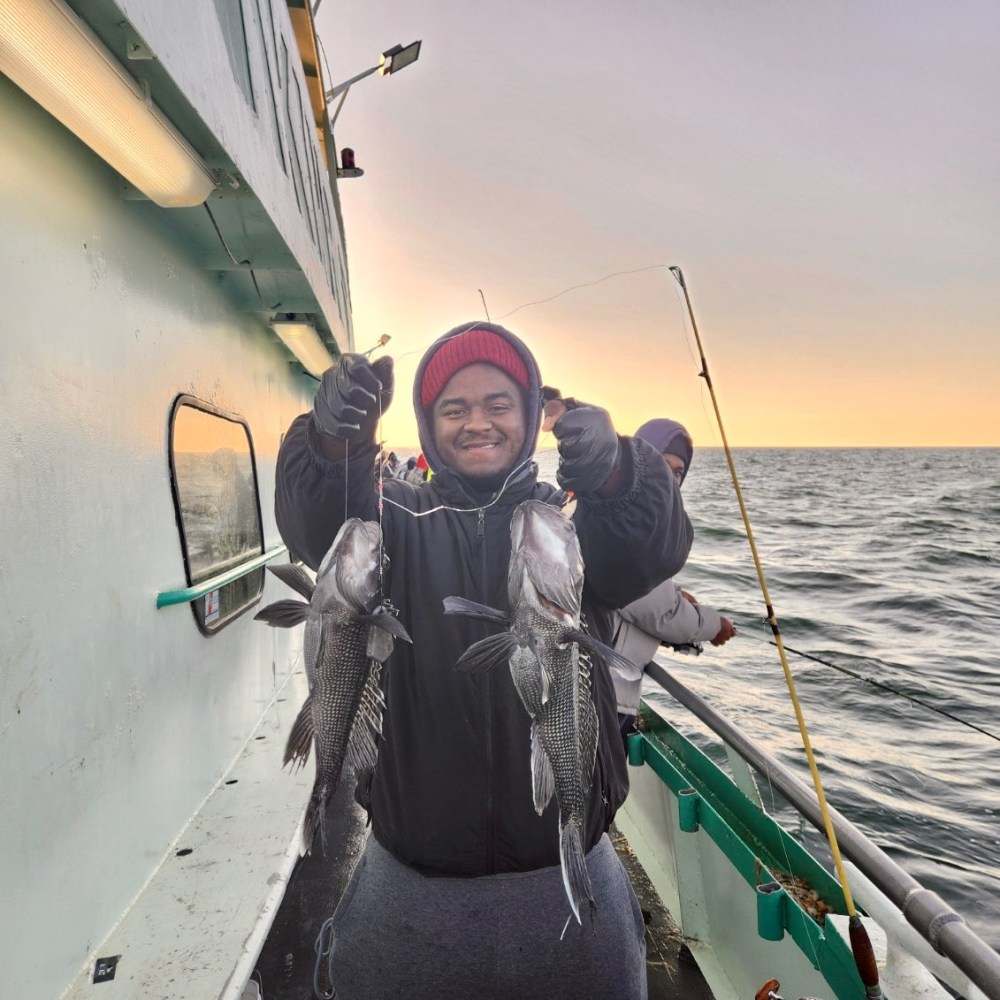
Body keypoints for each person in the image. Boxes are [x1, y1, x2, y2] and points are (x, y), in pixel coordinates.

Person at [275, 322, 692, 1000]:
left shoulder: (566, 524)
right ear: (427, 422)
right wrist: (332, 444)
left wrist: (619, 471)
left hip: (570, 883)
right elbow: (317, 526)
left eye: (499, 404)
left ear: (530, 417)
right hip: (409, 891)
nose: (478, 422)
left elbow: (651, 548)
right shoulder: (394, 520)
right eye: (454, 407)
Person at [611, 419, 735, 738]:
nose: (669, 476)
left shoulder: (626, 512)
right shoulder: (622, 519)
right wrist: (713, 626)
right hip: (600, 696)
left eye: (678, 471)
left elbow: (640, 588)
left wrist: (676, 594)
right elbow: (657, 611)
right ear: (635, 461)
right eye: (660, 463)